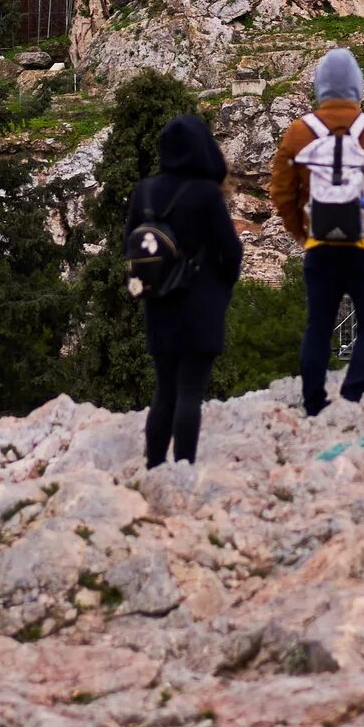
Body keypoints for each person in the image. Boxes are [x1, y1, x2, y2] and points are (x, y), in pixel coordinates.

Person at [273, 47, 364, 419]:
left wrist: (301, 233)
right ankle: (351, 395)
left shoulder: (300, 131)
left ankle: (314, 402)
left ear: (318, 87)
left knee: (318, 324)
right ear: (357, 86)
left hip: (320, 244)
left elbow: (281, 190)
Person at [125, 111, 240, 467]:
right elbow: (231, 250)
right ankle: (183, 469)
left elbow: (128, 244)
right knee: (190, 391)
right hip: (200, 303)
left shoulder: (144, 191)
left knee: (165, 393)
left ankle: (155, 467)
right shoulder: (206, 193)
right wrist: (222, 285)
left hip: (157, 303)